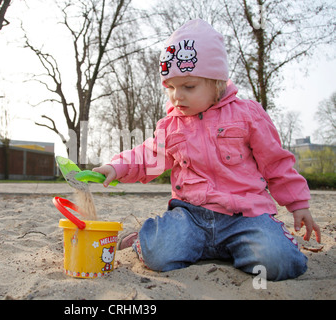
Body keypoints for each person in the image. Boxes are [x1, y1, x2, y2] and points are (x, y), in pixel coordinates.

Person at [92, 19, 321, 281]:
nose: (177, 96)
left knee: (279, 262)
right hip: (191, 218)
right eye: (170, 87)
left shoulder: (247, 115)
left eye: (188, 86)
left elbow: (276, 162)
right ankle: (144, 239)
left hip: (245, 216)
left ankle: (234, 247)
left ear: (217, 82)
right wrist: (116, 167)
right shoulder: (171, 126)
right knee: (157, 254)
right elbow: (148, 157)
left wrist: (297, 203)